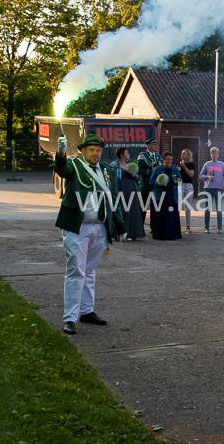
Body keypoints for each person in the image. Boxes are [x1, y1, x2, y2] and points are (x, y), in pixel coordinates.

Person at [54, 133, 126, 335]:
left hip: (99, 228)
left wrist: (120, 226)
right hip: (78, 227)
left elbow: (114, 200)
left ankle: (87, 311)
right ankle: (70, 317)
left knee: (90, 271)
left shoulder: (108, 171)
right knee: (76, 271)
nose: (95, 153)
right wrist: (60, 153)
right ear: (83, 151)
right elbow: (62, 169)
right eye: (92, 150)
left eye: (98, 150)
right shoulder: (75, 165)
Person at [113, 147, 145, 241]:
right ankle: (120, 233)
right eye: (127, 153)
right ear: (122, 154)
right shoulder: (114, 165)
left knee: (133, 210)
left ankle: (133, 233)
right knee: (122, 210)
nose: (129, 154)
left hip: (132, 189)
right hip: (121, 189)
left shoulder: (130, 165)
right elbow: (114, 178)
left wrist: (135, 175)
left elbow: (137, 178)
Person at [149, 152, 183, 241]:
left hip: (172, 196)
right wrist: (158, 182)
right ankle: (160, 235)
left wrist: (177, 181)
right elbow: (151, 182)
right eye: (167, 159)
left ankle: (173, 235)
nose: (169, 161)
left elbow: (180, 181)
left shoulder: (175, 169)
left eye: (170, 159)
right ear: (163, 160)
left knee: (172, 215)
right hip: (161, 196)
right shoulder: (158, 169)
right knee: (161, 215)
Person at [199, 146, 224, 234]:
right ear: (210, 154)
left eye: (215, 153)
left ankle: (219, 228)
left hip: (218, 189)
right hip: (208, 189)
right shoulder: (207, 164)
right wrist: (208, 177)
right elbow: (201, 176)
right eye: (212, 153)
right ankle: (206, 228)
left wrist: (223, 185)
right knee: (208, 209)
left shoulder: (221, 164)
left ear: (218, 154)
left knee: (219, 209)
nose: (214, 155)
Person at [137, 137, 162, 231]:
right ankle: (140, 227)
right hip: (145, 185)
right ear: (148, 145)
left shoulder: (158, 156)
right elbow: (140, 169)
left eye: (156, 144)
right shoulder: (142, 155)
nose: (155, 146)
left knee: (155, 207)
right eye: (153, 144)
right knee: (143, 207)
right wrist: (152, 172)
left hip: (155, 186)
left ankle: (153, 227)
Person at [179, 149, 196, 234]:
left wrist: (184, 166)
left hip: (188, 186)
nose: (182, 155)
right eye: (181, 153)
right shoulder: (179, 163)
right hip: (180, 185)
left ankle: (188, 227)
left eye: (184, 153)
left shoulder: (191, 164)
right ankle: (176, 225)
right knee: (178, 206)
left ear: (188, 155)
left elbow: (191, 174)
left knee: (188, 207)